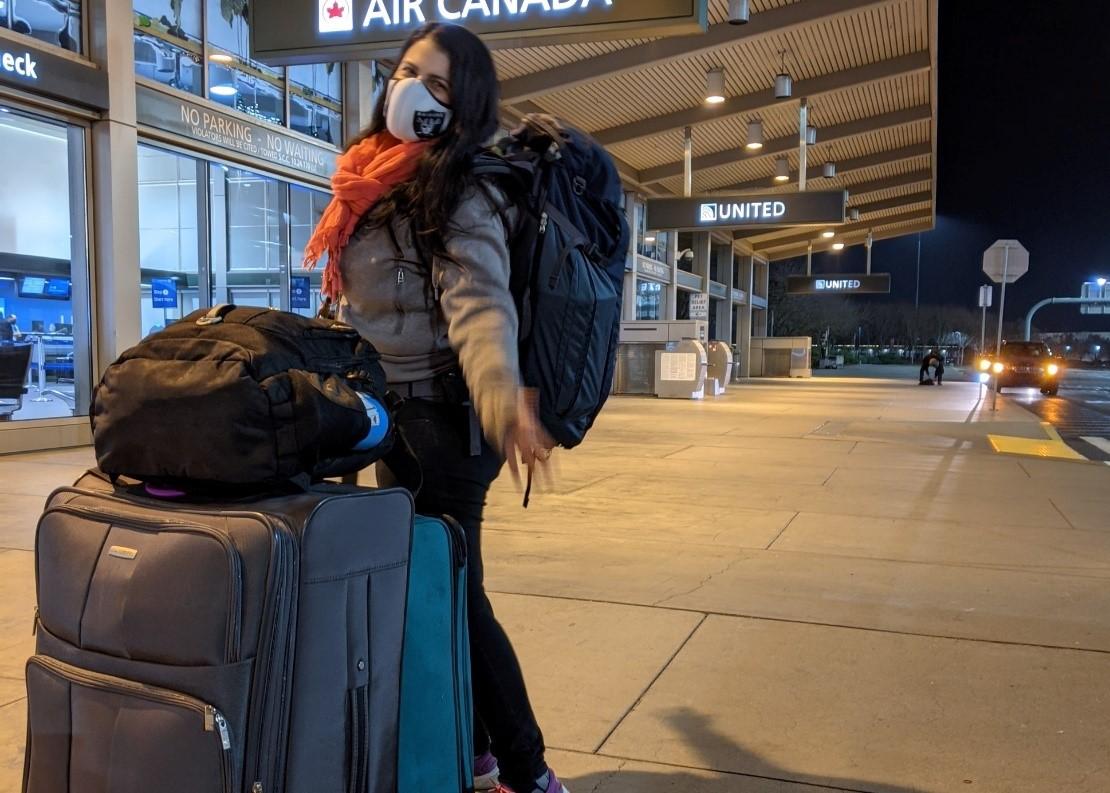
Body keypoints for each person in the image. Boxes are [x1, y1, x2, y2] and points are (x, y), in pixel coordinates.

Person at [302, 23, 566, 793]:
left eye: (439, 84)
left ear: (464, 107)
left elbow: (479, 303)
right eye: (409, 70)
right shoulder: (368, 178)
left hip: (444, 422)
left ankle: (529, 771)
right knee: (434, 590)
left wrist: (504, 400)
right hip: (394, 417)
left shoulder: (460, 189)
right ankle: (478, 754)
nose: (412, 88)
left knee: (455, 595)